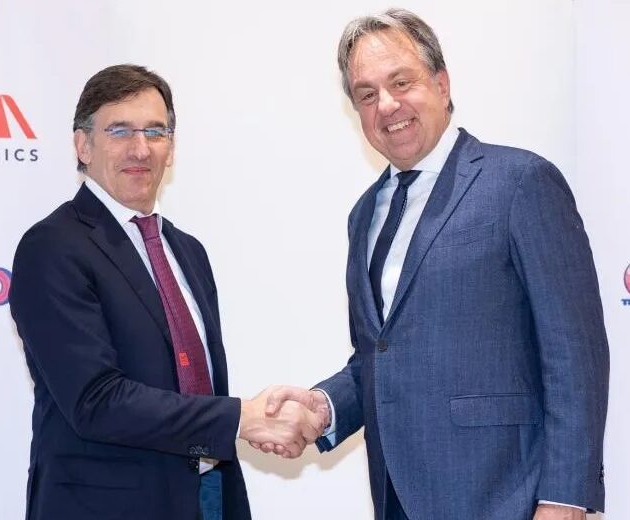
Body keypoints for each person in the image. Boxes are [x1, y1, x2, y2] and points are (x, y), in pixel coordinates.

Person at [260, 9, 609, 520]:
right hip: (396, 497)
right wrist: (325, 407)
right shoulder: (365, 214)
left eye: (401, 82)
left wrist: (565, 497)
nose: (387, 105)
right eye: (366, 94)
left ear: (442, 84)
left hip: (505, 498)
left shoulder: (520, 183)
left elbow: (574, 353)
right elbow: (380, 356)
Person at [9, 64, 324, 520]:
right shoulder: (53, 247)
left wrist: (252, 421)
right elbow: (96, 401)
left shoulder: (187, 250)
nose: (140, 148)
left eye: (155, 132)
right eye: (120, 130)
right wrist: (242, 418)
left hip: (209, 494)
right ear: (83, 145)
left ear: (171, 148)